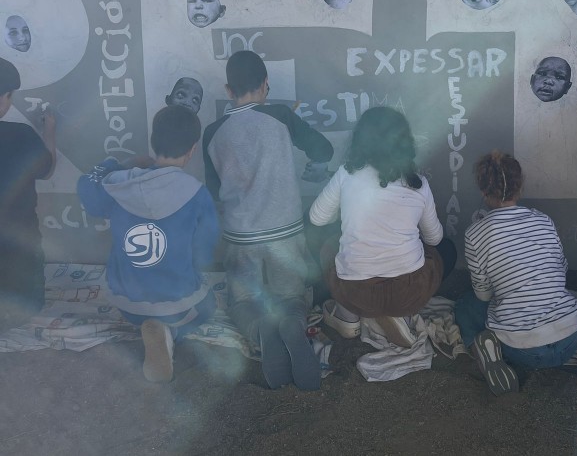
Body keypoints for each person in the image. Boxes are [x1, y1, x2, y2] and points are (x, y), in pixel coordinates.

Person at [203, 50, 333, 391]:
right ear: (265, 85)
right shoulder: (280, 116)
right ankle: (292, 321)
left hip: (240, 236)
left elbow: (214, 190)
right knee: (291, 296)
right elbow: (323, 150)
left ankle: (259, 329)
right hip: (285, 232)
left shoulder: (213, 132)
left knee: (243, 301)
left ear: (228, 91)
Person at [77, 105, 219, 383]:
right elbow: (205, 252)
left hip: (127, 304)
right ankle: (171, 331)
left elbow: (86, 184)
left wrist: (117, 163)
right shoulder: (197, 194)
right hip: (178, 305)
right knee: (208, 305)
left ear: (153, 143)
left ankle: (153, 328)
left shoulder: (118, 184)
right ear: (192, 150)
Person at [309, 107, 457, 349]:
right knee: (447, 250)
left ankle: (348, 316)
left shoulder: (346, 174)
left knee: (328, 244)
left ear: (361, 140)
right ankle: (399, 316)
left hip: (356, 293)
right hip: (409, 294)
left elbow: (316, 219)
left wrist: (343, 214)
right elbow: (435, 238)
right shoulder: (418, 183)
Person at [454, 150, 577, 395]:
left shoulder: (475, 234)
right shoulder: (544, 220)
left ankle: (486, 348)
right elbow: (561, 270)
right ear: (520, 187)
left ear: (483, 192)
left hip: (523, 351)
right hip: (570, 341)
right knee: (562, 301)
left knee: (465, 305)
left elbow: (483, 295)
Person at [0, 57, 55, 323]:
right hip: (20, 249)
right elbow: (47, 171)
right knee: (27, 305)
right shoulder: (21, 135)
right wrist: (50, 131)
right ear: (5, 97)